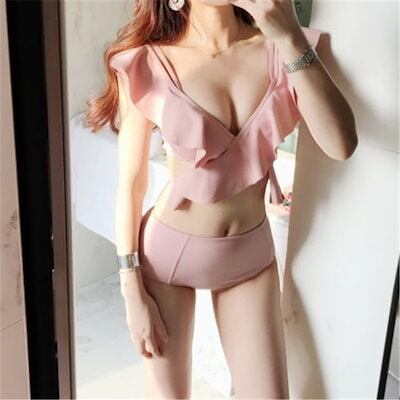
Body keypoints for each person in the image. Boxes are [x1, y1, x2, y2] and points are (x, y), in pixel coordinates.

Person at [86, 0, 358, 398]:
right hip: (169, 257)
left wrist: (289, 35)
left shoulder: (280, 48)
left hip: (250, 258)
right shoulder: (150, 62)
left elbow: (341, 145)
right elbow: (131, 184)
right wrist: (131, 290)